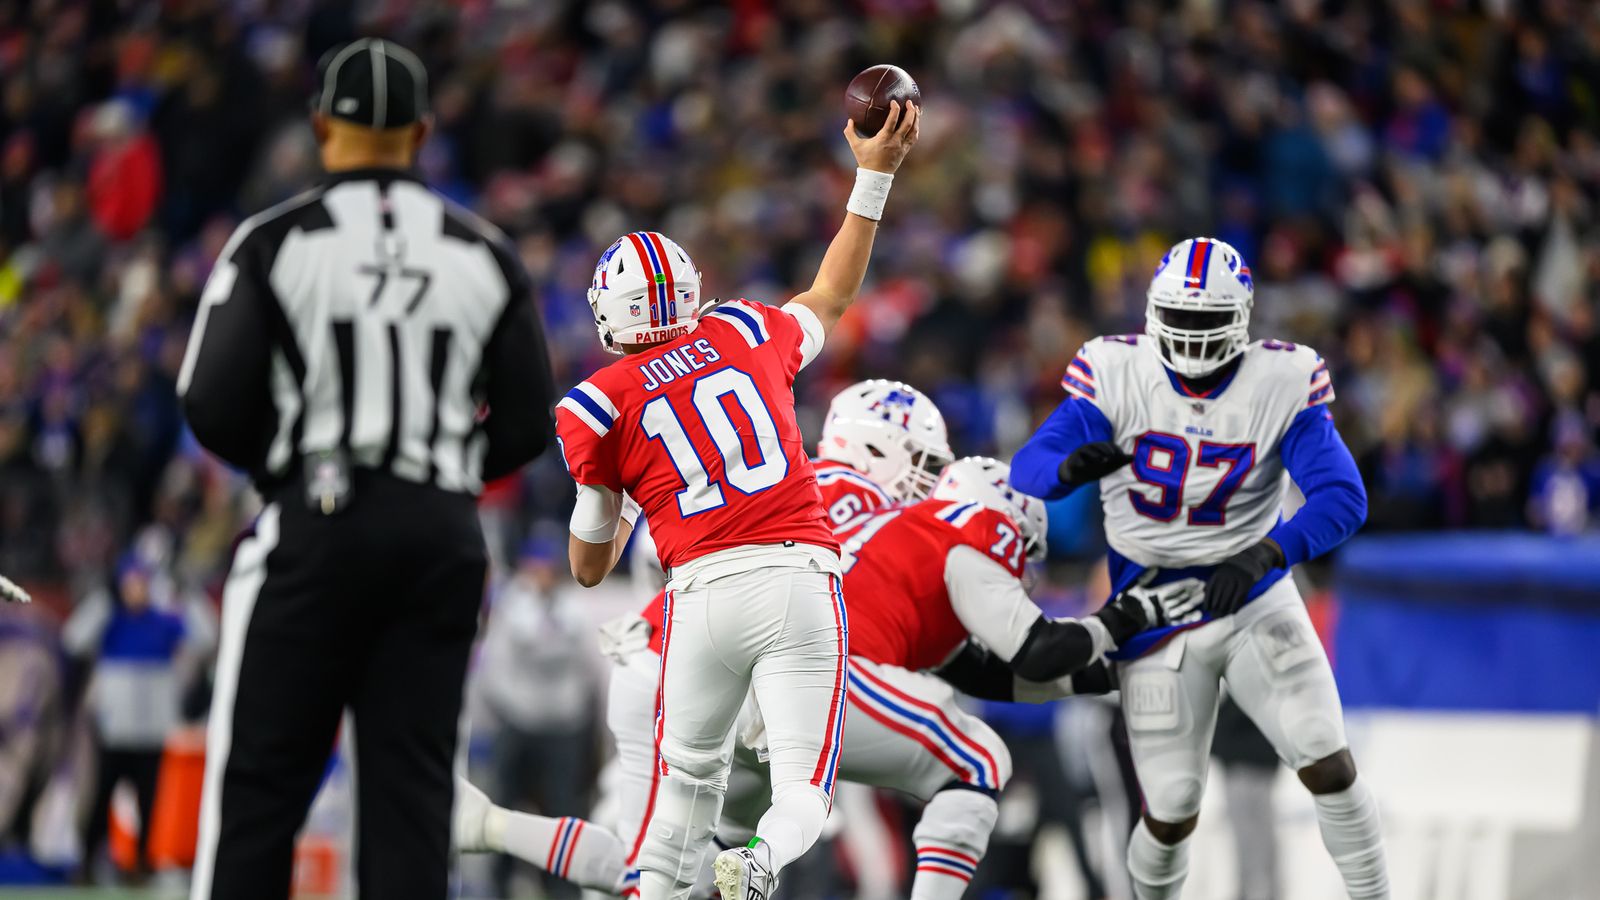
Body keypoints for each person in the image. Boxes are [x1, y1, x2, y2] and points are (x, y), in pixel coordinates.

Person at [178, 38, 555, 900]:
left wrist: (290, 467)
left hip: (316, 520)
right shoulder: (485, 251)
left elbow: (208, 398)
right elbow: (530, 420)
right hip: (439, 539)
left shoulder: (276, 241)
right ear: (423, 132)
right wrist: (446, 473)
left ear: (321, 127)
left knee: (260, 790)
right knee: (411, 802)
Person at [459, 458, 1180, 900]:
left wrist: (1112, 672)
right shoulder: (954, 537)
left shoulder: (863, 521)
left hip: (673, 668)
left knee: (675, 875)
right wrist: (1133, 619)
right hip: (797, 668)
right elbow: (1037, 650)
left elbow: (996, 673)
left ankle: (487, 824)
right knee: (978, 759)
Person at [553, 106, 920, 894]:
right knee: (803, 790)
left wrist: (620, 501)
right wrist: (875, 174)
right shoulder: (747, 331)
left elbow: (588, 567)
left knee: (683, 793)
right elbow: (831, 293)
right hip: (798, 579)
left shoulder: (595, 403)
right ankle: (759, 862)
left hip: (698, 599)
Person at [456, 377, 950, 897]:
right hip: (682, 677)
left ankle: (489, 825)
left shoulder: (784, 480)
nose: (926, 481)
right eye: (921, 461)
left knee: (702, 868)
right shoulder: (834, 500)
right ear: (877, 446)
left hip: (695, 678)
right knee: (651, 876)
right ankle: (488, 825)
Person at [1011, 237, 1388, 899]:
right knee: (1171, 809)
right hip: (1154, 613)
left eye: (1205, 322)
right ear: (1153, 313)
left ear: (1240, 320)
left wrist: (1270, 551)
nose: (1190, 335)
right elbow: (1029, 465)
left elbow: (1342, 496)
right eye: (1179, 319)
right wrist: (1065, 468)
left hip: (1253, 594)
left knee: (1325, 754)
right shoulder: (1115, 370)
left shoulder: (1280, 381)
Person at [473, 536, 602, 898]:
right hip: (517, 723)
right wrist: (510, 711)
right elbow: (493, 668)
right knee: (502, 810)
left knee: (564, 812)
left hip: (563, 728)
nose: (543, 573)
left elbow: (590, 672)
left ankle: (562, 889)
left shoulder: (575, 608)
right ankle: (497, 887)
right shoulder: (512, 604)